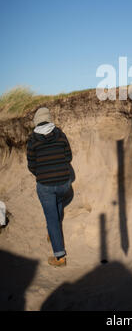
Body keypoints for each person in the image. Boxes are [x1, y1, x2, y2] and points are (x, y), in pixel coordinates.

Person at [26, 107, 72, 267]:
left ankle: (59, 257)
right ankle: (54, 233)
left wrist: (43, 173)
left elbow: (31, 165)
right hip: (64, 183)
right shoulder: (60, 134)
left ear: (37, 121)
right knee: (58, 204)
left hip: (45, 185)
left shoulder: (33, 140)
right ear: (49, 118)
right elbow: (69, 157)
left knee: (51, 218)